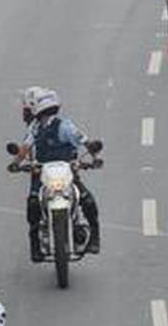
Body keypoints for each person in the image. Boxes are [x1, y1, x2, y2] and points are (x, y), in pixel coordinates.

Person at [11, 88, 101, 259]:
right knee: (33, 204)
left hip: (67, 172)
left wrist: (94, 157)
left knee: (86, 199)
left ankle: (95, 236)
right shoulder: (35, 129)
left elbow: (85, 142)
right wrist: (16, 164)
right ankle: (35, 244)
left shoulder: (65, 126)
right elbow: (24, 149)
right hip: (42, 173)